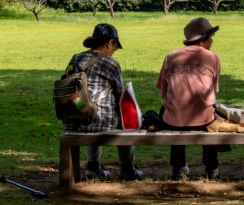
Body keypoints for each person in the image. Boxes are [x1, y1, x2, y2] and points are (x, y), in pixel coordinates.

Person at [62, 23, 143, 181]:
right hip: (99, 121)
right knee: (123, 123)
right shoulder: (111, 63)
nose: (114, 51)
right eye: (115, 46)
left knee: (89, 111)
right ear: (110, 42)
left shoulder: (76, 58)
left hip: (72, 119)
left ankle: (93, 167)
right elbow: (120, 97)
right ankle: (127, 168)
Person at [157, 17, 221, 180]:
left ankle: (178, 167)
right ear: (203, 39)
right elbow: (214, 91)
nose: (212, 41)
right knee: (211, 115)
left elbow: (163, 92)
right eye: (211, 37)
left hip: (174, 119)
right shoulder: (213, 58)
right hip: (204, 117)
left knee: (171, 111)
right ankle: (211, 167)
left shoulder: (170, 57)